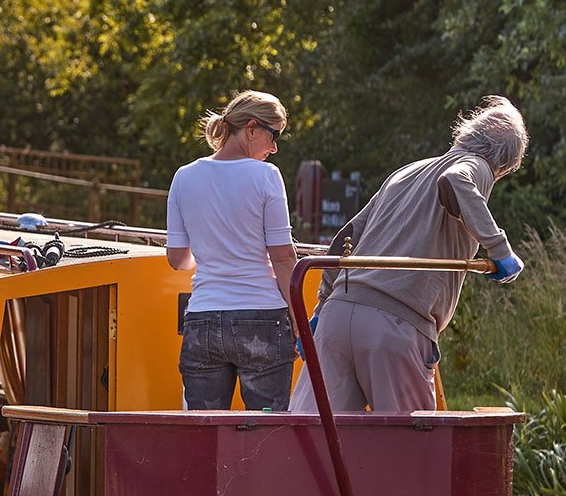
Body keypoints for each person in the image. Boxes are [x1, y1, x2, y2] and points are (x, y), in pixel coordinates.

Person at [291, 96, 528, 415]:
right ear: (505, 163)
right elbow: (456, 181)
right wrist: (500, 250)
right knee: (413, 446)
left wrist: (320, 309)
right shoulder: (479, 166)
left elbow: (345, 237)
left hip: (337, 314)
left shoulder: (406, 172)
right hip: (395, 322)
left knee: (311, 439)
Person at [165, 90, 299, 410]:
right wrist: (298, 321)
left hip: (203, 320)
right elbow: (282, 257)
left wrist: (212, 246)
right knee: (267, 434)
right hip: (263, 319)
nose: (274, 147)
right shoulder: (266, 175)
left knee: (203, 435)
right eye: (273, 135)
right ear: (252, 128)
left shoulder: (184, 177)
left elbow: (178, 260)